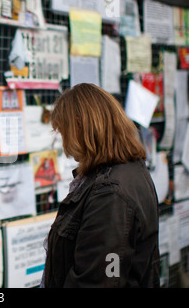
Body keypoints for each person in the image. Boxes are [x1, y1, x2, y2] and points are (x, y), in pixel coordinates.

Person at [42, 83, 160, 288]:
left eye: (64, 132)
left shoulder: (110, 193)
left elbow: (98, 280)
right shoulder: (128, 172)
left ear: (79, 127)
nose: (65, 145)